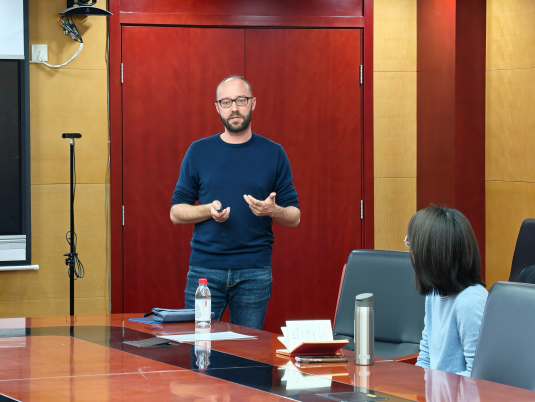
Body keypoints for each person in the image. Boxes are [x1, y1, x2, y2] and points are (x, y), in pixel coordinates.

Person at [170, 76, 301, 330]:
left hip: (254, 271)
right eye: (226, 102)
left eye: (241, 100)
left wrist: (273, 210)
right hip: (205, 272)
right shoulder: (198, 151)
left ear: (253, 103)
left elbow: (294, 216)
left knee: (248, 351)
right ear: (217, 107)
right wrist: (208, 210)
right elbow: (176, 212)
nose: (234, 108)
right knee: (199, 348)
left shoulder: (274, 153)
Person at [407, 206, 488, 376]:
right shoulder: (434, 294)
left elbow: (478, 377)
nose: (411, 253)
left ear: (430, 254)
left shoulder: (470, 302)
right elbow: (425, 357)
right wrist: (416, 386)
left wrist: (436, 386)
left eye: (411, 245)